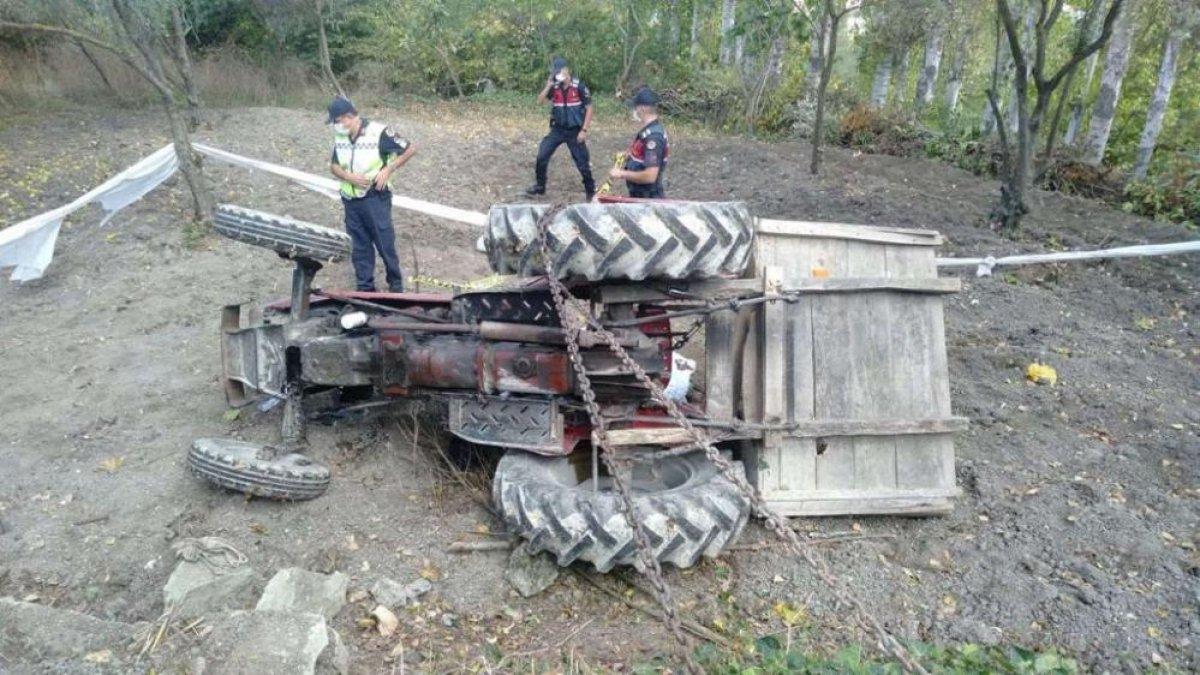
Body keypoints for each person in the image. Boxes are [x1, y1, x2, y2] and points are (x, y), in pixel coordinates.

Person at [327, 96, 416, 292]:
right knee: (359, 247)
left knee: (385, 244)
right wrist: (348, 176)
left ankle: (395, 286)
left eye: (337, 121)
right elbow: (333, 166)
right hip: (350, 200)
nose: (335, 126)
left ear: (348, 117)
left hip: (375, 198)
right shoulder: (340, 137)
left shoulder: (379, 132)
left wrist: (388, 169)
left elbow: (409, 149)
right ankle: (365, 289)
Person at [525, 57, 596, 201]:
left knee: (582, 162)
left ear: (566, 70)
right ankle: (540, 186)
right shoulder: (554, 87)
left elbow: (589, 109)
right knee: (542, 155)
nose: (558, 74)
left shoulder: (579, 87)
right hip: (557, 130)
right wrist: (548, 86)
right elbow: (540, 101)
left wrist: (584, 130)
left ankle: (590, 190)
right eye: (556, 72)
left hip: (575, 131)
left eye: (560, 71)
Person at [610, 87, 669, 199]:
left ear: (642, 109)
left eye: (635, 108)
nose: (634, 111)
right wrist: (628, 156)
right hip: (639, 195)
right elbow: (642, 153)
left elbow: (650, 176)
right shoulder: (648, 131)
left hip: (648, 199)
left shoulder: (653, 138)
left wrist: (622, 173)